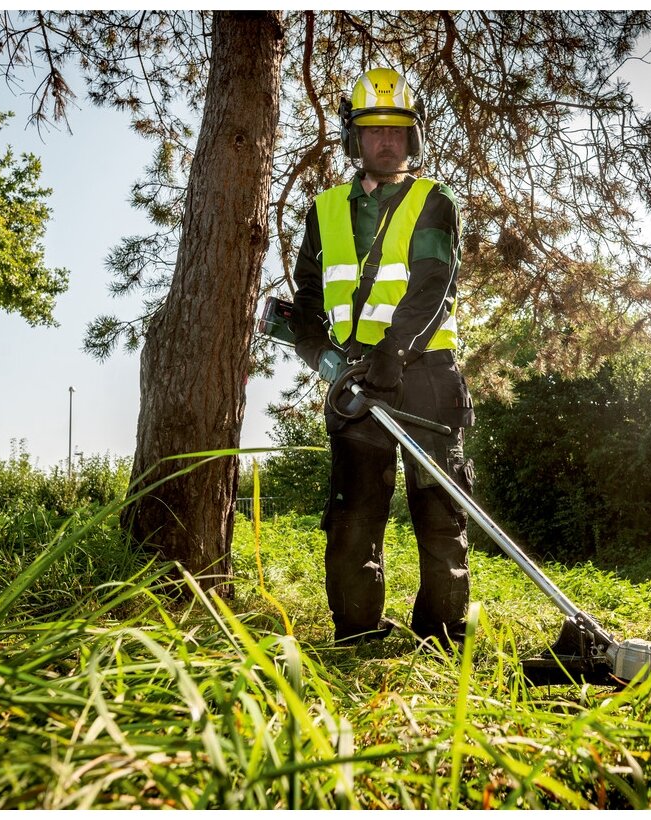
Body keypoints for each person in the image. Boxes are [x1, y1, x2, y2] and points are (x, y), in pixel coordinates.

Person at [289, 67, 475, 649]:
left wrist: (395, 350)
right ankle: (357, 634)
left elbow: (432, 282)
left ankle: (440, 636)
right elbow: (308, 298)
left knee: (439, 508)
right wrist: (317, 349)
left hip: (424, 374)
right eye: (374, 131)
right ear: (356, 138)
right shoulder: (323, 210)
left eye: (397, 129)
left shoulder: (432, 201)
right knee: (353, 512)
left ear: (411, 137)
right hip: (355, 381)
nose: (386, 141)